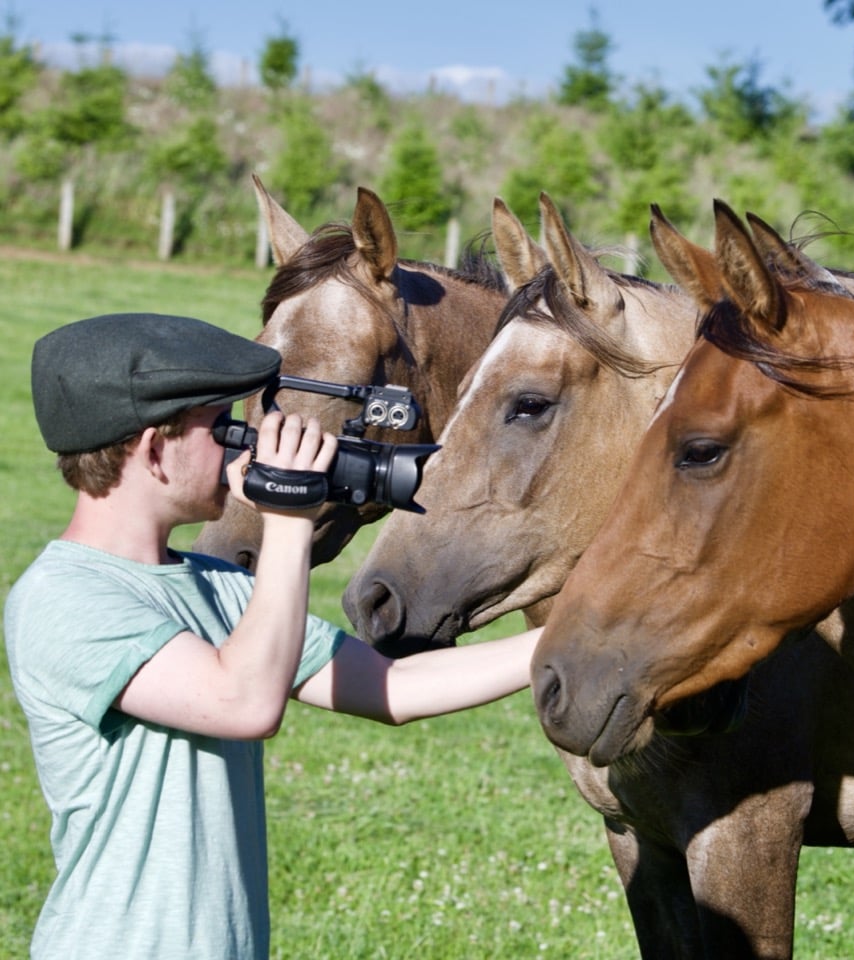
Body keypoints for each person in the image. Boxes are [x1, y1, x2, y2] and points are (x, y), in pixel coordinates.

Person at [4, 312, 541, 960]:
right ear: (151, 449)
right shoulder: (65, 599)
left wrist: (562, 638)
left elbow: (392, 688)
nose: (240, 448)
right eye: (224, 428)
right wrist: (289, 520)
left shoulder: (214, 586)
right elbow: (244, 702)